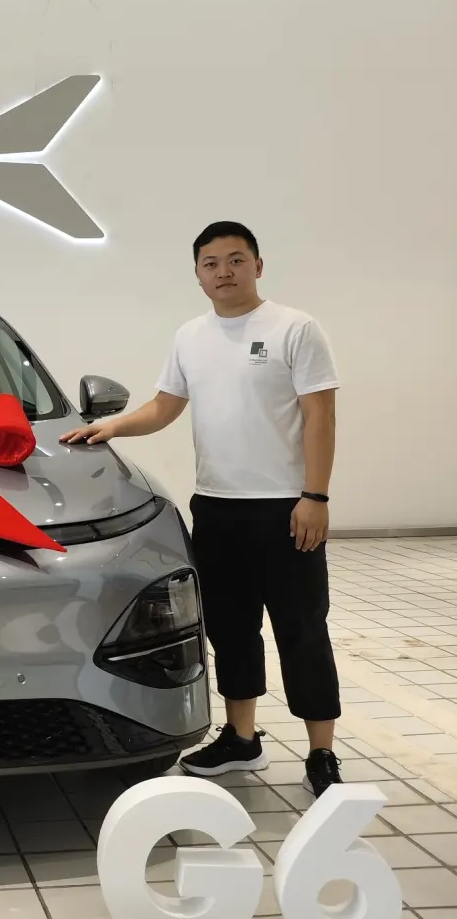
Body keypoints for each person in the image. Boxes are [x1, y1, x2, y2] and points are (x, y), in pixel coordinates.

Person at [61, 221, 342, 797]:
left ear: (258, 266)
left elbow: (321, 415)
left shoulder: (295, 328)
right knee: (231, 629)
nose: (224, 272)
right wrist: (111, 427)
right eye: (211, 263)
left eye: (236, 260)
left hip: (286, 508)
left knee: (302, 629)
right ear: (197, 274)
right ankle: (242, 739)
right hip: (216, 508)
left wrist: (315, 496)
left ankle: (322, 751)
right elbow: (165, 406)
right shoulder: (190, 335)